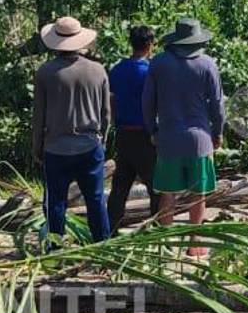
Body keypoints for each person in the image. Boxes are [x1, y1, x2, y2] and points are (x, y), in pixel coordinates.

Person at [142, 18, 225, 256]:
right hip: (199, 140)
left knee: (168, 194)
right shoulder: (208, 65)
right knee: (198, 196)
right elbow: (218, 106)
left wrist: (152, 131)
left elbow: (147, 102)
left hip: (168, 139)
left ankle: (166, 245)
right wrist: (217, 133)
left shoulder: (158, 63)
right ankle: (194, 243)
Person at [32, 16, 112, 245]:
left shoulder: (46, 73)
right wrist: (102, 140)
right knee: (96, 200)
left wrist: (37, 146)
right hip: (89, 145)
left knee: (56, 201)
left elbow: (39, 116)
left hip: (56, 148)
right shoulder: (98, 71)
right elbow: (106, 113)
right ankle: (102, 246)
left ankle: (56, 248)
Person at [107, 25, 160, 230]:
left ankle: (109, 228)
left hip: (123, 133)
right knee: (156, 186)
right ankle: (155, 229)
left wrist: (114, 122)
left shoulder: (117, 69)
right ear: (149, 45)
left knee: (120, 185)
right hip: (144, 135)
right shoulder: (150, 71)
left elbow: (111, 101)